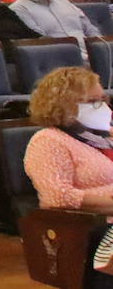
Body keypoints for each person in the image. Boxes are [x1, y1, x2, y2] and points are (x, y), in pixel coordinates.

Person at [23, 66, 113, 287]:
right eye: (93, 101)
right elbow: (58, 198)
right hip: (86, 230)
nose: (102, 107)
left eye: (103, 99)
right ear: (65, 104)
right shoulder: (48, 141)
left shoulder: (106, 136)